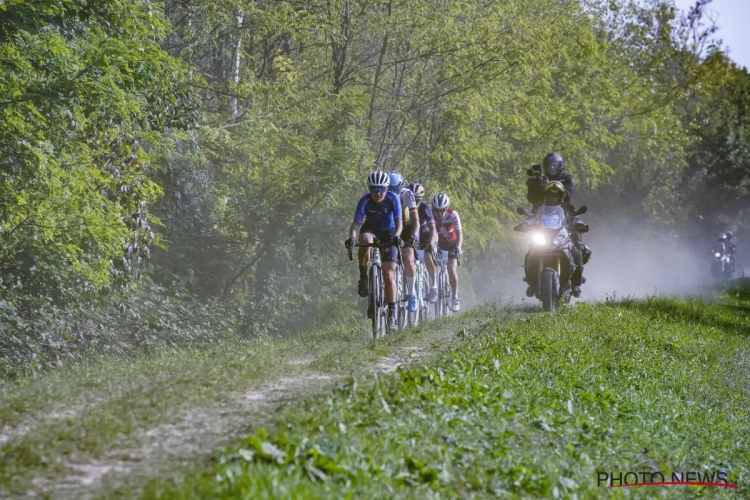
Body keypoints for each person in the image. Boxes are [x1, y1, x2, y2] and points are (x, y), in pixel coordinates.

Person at [523, 152, 588, 297]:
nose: (551, 169)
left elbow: (567, 196)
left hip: (563, 211)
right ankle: (532, 281)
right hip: (542, 212)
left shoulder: (566, 178)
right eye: (549, 166)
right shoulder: (539, 179)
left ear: (559, 166)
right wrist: (535, 183)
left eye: (554, 166)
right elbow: (532, 199)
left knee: (576, 244)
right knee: (532, 246)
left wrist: (579, 224)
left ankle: (576, 281)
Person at [345, 171, 403, 329]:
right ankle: (363, 276)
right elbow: (357, 223)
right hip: (370, 228)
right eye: (374, 189)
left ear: (387, 188)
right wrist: (352, 238)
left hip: (389, 232)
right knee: (365, 240)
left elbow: (399, 221)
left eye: (382, 189)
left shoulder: (393, 198)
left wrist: (397, 235)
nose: (378, 193)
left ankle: (392, 315)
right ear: (369, 189)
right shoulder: (364, 201)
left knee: (388, 274)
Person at [389, 171, 420, 313]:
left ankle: (412, 293)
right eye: (390, 189)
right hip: (390, 226)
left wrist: (414, 235)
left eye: (396, 190)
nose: (393, 193)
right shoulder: (382, 194)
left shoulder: (407, 194)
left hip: (406, 227)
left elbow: (415, 221)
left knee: (408, 259)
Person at [407, 182, 439, 302]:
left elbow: (433, 229)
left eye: (417, 200)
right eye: (412, 199)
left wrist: (431, 244)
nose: (414, 203)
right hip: (411, 235)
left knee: (428, 255)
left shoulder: (425, 207)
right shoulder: (403, 205)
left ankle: (433, 284)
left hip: (425, 235)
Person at [431, 192, 462, 312]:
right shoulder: (430, 215)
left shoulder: (453, 214)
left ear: (447, 208)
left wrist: (458, 247)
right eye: (436, 210)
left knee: (451, 269)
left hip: (451, 244)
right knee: (431, 267)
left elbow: (459, 234)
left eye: (442, 210)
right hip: (437, 244)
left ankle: (454, 297)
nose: (439, 213)